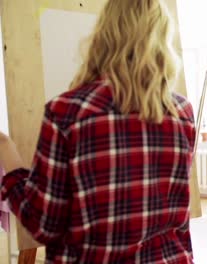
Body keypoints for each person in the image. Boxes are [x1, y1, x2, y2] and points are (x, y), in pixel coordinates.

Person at [0, 1, 195, 263]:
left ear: (104, 34)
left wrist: (8, 155)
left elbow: (43, 224)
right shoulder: (182, 112)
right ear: (162, 41)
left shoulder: (67, 112)